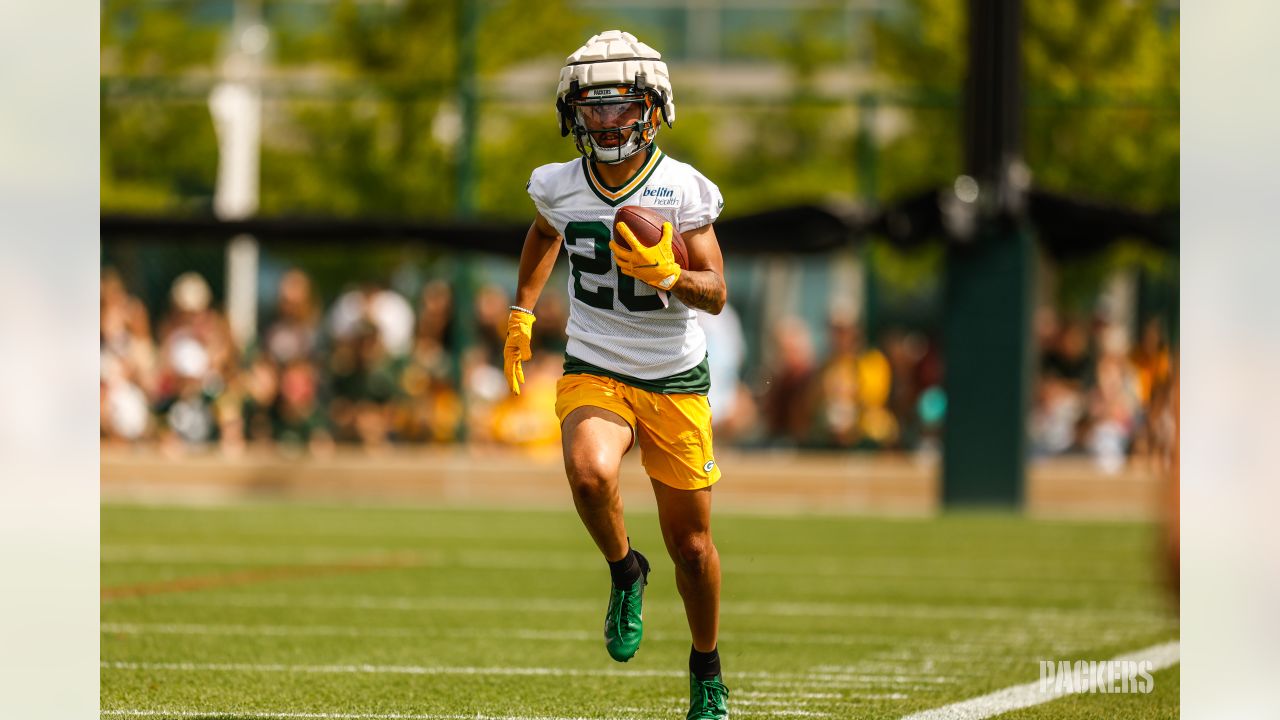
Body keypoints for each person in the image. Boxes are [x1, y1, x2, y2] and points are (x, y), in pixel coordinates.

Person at [503, 30, 730, 719]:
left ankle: (706, 667)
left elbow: (717, 291)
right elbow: (545, 233)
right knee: (591, 472)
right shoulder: (559, 184)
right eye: (593, 108)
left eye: (620, 105)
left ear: (652, 107)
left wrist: (672, 275)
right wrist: (522, 310)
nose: (606, 121)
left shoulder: (680, 187)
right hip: (596, 361)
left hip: (673, 375)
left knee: (691, 548)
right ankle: (624, 571)